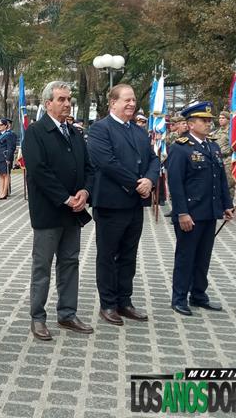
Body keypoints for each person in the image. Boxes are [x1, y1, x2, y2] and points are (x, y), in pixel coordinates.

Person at [22, 81, 95, 341]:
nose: (67, 104)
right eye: (61, 99)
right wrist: (65, 198)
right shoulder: (36, 132)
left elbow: (88, 168)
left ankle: (67, 314)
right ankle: (37, 318)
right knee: (42, 266)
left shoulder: (75, 133)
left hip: (73, 213)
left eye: (69, 99)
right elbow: (38, 171)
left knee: (70, 263)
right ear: (47, 103)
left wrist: (85, 192)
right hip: (49, 212)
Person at [87, 84, 160, 326]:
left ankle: (124, 301)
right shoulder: (100, 129)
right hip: (111, 204)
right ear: (113, 103)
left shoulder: (139, 131)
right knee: (108, 256)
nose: (131, 104)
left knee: (129, 254)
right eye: (126, 100)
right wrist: (137, 184)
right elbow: (107, 163)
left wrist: (150, 180)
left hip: (134, 204)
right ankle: (108, 304)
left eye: (133, 100)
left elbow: (153, 159)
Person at [166, 102, 234, 316]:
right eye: (203, 121)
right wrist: (182, 213)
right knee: (186, 256)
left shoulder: (213, 147)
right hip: (190, 213)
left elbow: (220, 179)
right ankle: (179, 298)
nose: (208, 124)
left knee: (203, 257)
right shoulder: (180, 148)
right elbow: (175, 184)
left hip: (209, 211)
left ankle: (198, 294)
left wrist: (227, 205)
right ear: (190, 124)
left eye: (209, 120)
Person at [209, 111, 236, 200]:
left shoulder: (232, 132)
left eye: (223, 118)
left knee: (229, 185)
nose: (220, 120)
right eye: (220, 118)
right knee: (217, 183)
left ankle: (229, 203)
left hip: (228, 160)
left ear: (228, 120)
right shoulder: (216, 132)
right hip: (217, 160)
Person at [0, 118, 17, 199]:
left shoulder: (9, 135)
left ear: (5, 126)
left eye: (1, 125)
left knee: (6, 175)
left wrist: (8, 158)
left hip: (5, 157)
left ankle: (4, 193)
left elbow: (11, 148)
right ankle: (1, 192)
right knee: (1, 175)